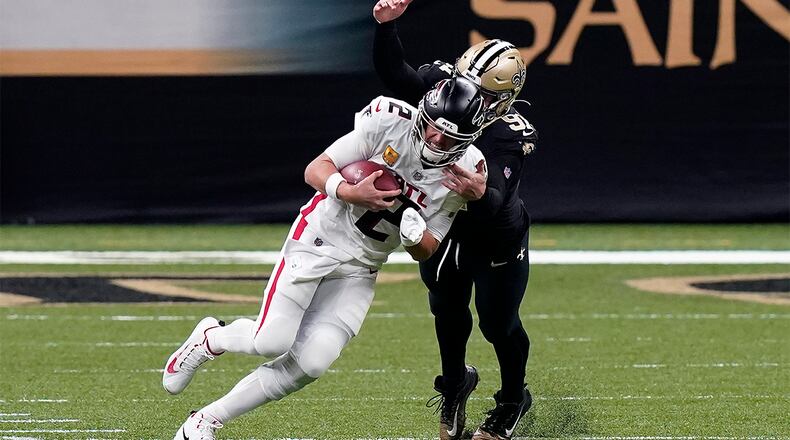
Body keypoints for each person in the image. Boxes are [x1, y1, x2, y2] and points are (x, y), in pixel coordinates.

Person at [162, 76, 488, 439]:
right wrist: (349, 192)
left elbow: (427, 249)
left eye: (449, 138)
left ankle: (204, 421)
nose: (435, 139)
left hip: (362, 266)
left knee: (313, 361)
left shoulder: (466, 173)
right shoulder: (388, 122)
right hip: (319, 237)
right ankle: (210, 338)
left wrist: (413, 235)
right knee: (271, 341)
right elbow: (316, 168)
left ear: (468, 139)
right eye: (431, 127)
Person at [372, 1, 538, 439]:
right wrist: (387, 28)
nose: (467, 98)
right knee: (445, 309)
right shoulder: (445, 86)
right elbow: (398, 79)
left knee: (497, 322)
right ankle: (455, 384)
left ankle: (512, 399)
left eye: (481, 95)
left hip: (495, 235)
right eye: (466, 86)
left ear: (503, 99)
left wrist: (480, 192)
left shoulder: (509, 132)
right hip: (443, 226)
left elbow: (499, 201)